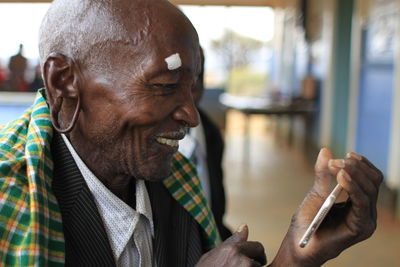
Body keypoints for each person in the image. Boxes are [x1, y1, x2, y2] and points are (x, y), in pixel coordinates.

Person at [0, 0, 383, 266]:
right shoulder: (9, 206)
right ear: (65, 81)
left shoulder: (177, 186)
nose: (191, 115)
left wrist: (296, 255)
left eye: (192, 87)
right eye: (165, 85)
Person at [179, 48, 232, 240]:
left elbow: (215, 209)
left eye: (192, 87)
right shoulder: (149, 147)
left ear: (201, 86)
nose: (187, 111)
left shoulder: (211, 134)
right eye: (169, 87)